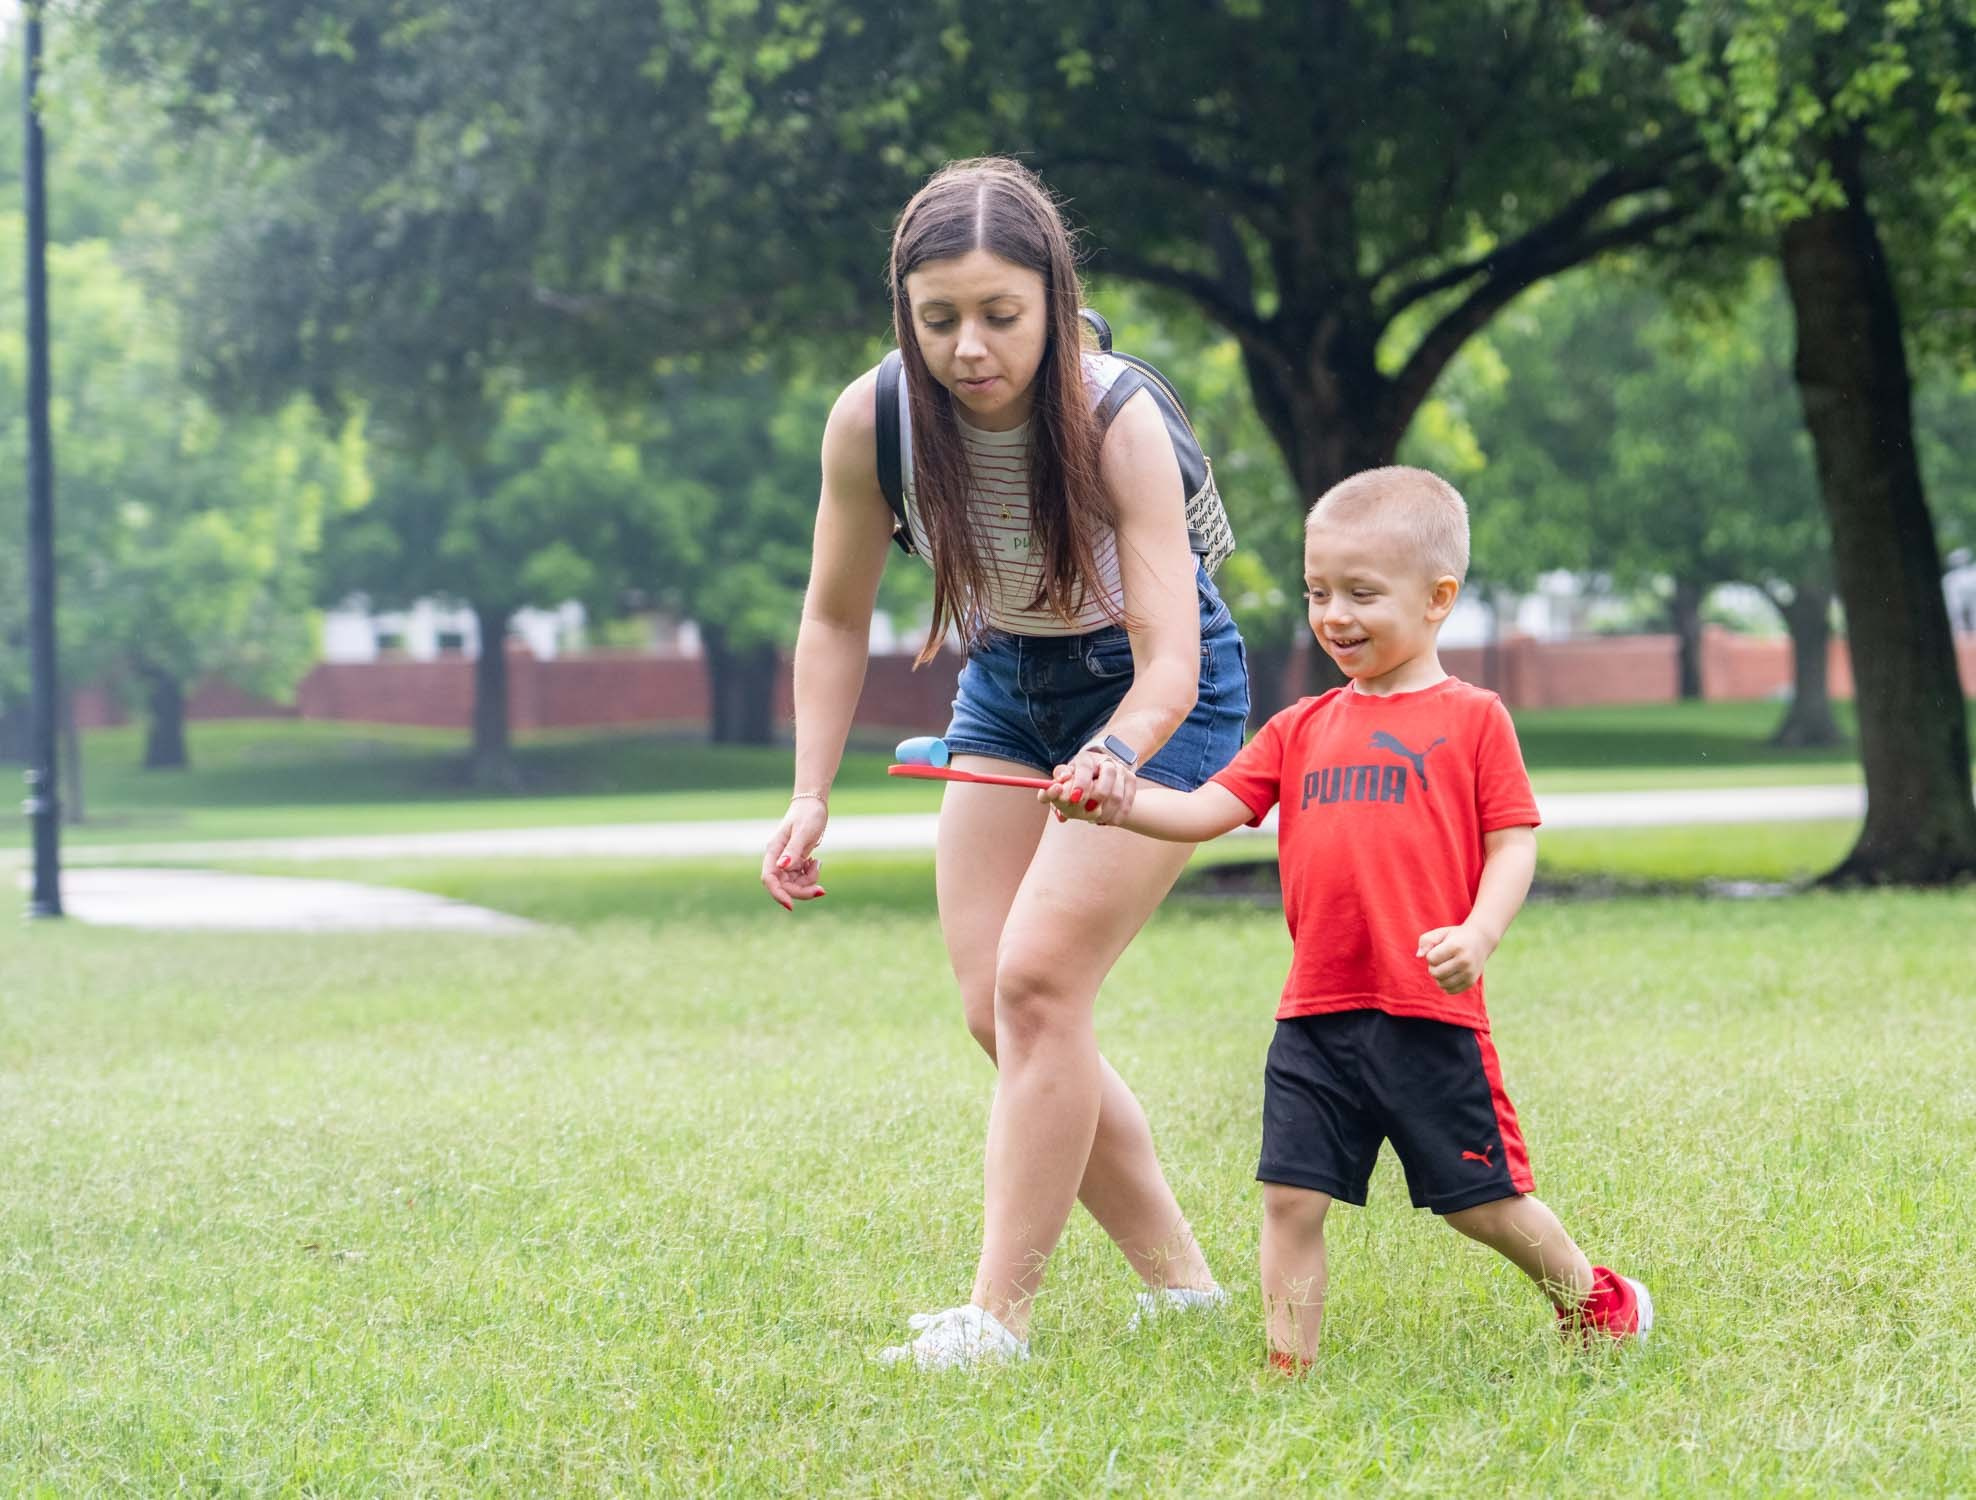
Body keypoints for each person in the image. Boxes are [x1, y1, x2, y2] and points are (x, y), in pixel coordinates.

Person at [760, 157, 1252, 1369]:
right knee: (999, 1012)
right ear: (903, 314)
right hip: (1005, 682)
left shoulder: (1113, 415)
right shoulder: (873, 419)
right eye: (938, 319)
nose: (967, 348)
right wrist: (807, 793)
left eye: (998, 315)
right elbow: (832, 618)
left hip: (1150, 698)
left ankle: (996, 1321)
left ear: (1052, 296)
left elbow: (1170, 662)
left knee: (1038, 992)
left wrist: (1118, 756)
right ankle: (1182, 1291)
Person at [1046, 466, 1652, 1368]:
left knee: (1478, 1205)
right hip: (1316, 1013)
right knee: (1290, 1198)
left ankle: (1595, 1298)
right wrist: (1120, 802)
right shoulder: (1302, 725)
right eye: (1318, 592)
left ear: (1440, 598)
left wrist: (1479, 933)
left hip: (1425, 1012)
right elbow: (1208, 810)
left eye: (1362, 594)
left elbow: (1514, 843)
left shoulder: (1475, 719)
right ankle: (1290, 1371)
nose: (1335, 615)